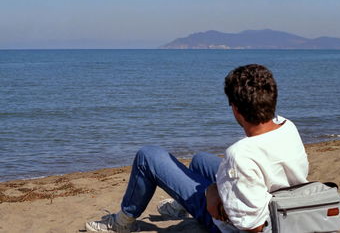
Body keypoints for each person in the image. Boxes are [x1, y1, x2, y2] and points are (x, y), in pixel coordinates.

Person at [86, 64, 309, 233]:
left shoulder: (241, 154)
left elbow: (252, 226)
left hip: (232, 225)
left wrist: (212, 197)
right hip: (279, 199)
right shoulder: (287, 126)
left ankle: (123, 222)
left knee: (149, 156)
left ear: (235, 110)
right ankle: (182, 205)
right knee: (200, 160)